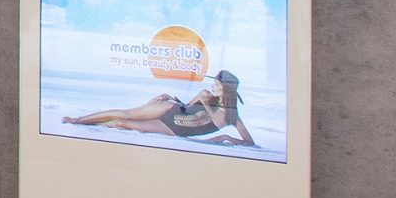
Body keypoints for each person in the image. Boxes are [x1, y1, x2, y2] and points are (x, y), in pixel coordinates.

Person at [64, 71, 254, 146]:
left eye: (217, 84)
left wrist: (226, 137)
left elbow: (250, 143)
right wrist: (170, 99)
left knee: (122, 123)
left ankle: (88, 124)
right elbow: (187, 106)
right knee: (126, 114)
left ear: (226, 89)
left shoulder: (232, 117)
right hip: (171, 110)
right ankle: (79, 120)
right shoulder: (206, 95)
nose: (213, 86)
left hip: (173, 129)